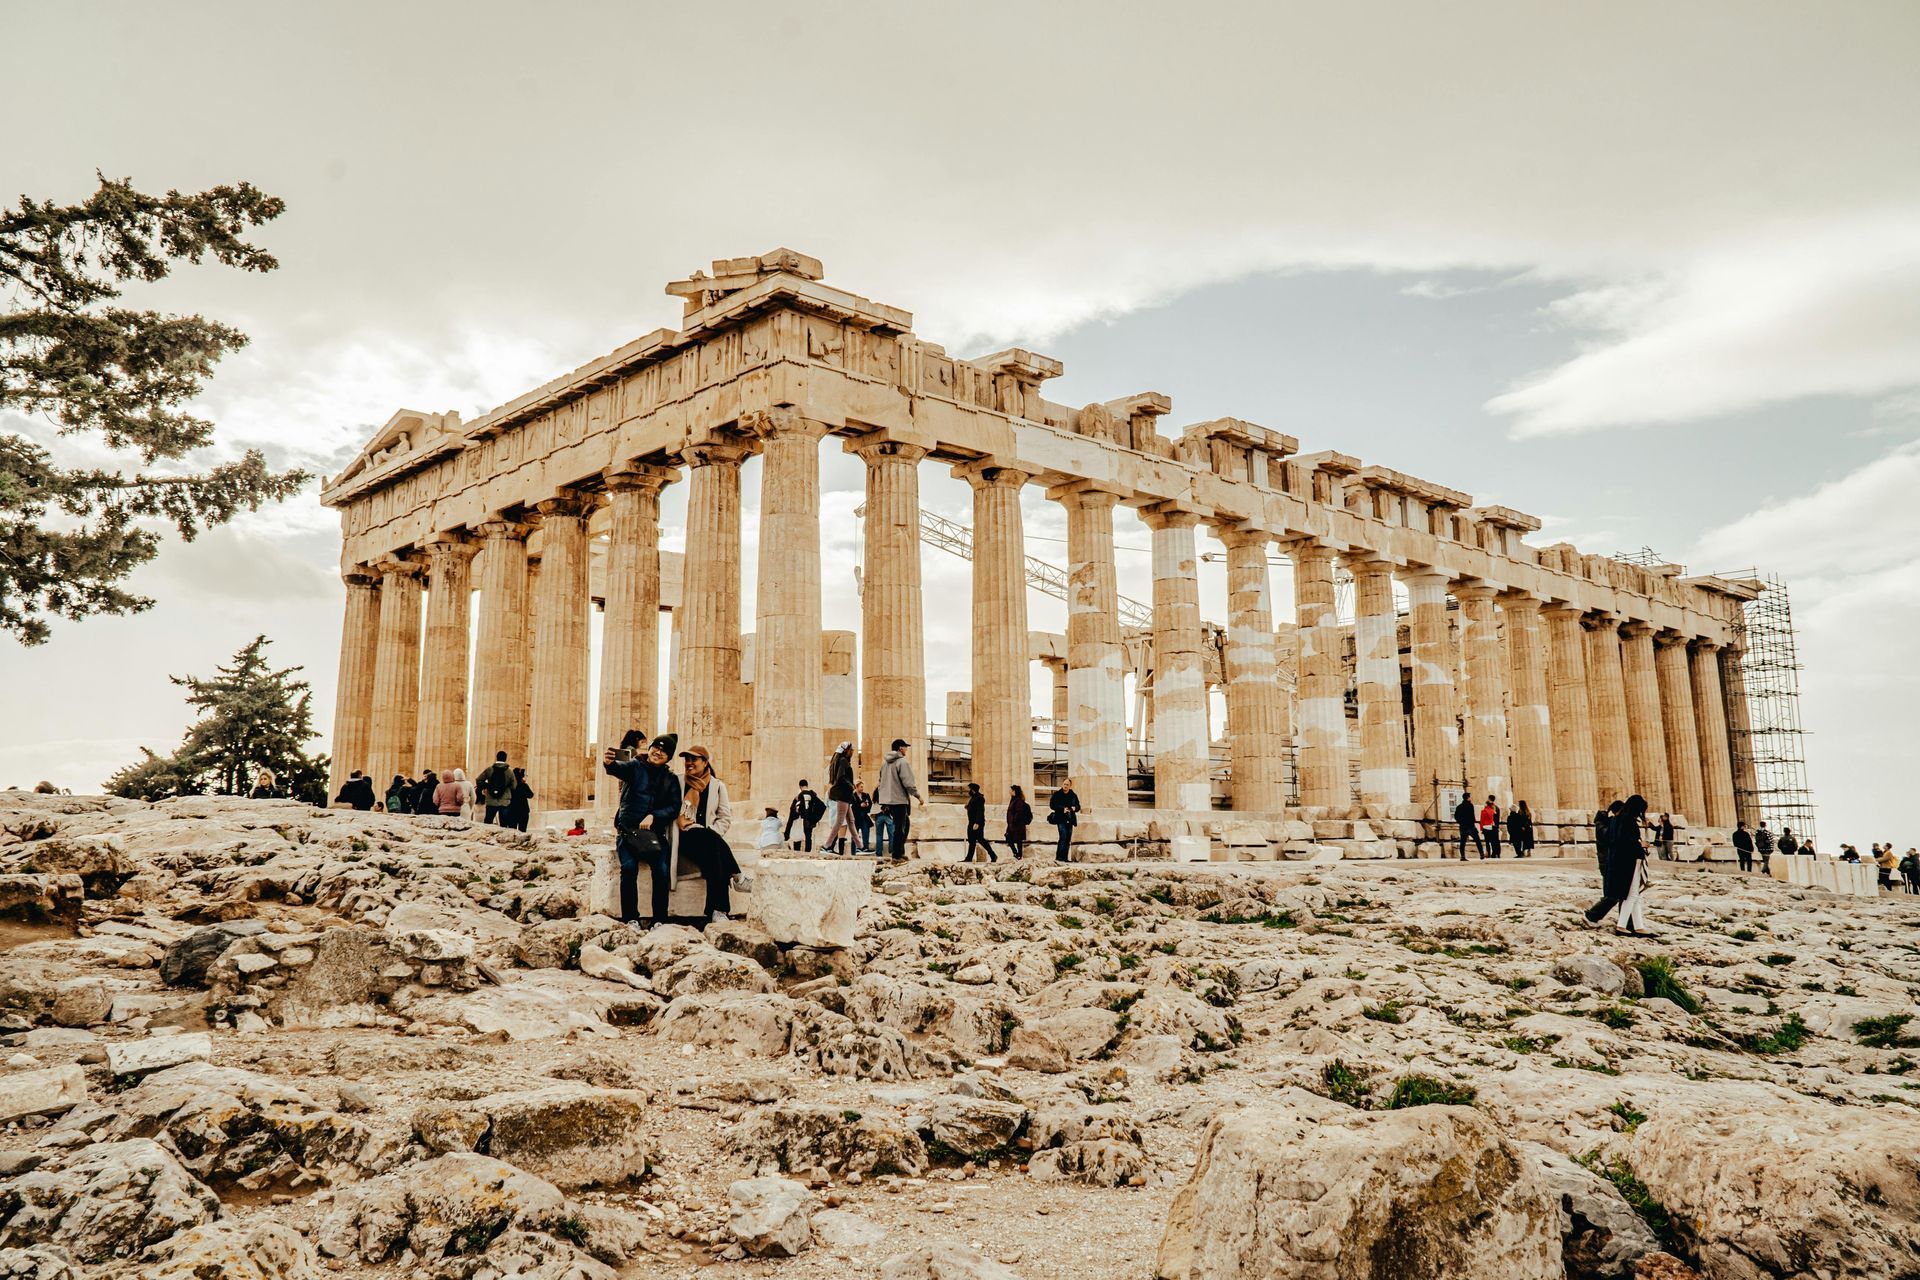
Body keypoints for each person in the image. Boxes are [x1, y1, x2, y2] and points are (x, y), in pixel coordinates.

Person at [603, 734, 682, 926]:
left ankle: (659, 920)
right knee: (629, 869)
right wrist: (609, 764)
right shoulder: (635, 766)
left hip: (654, 834)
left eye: (664, 751)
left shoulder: (670, 778)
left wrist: (655, 816)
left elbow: (674, 807)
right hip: (628, 832)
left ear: (668, 757)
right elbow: (618, 769)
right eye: (656, 747)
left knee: (661, 871)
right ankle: (631, 918)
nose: (658, 752)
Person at [676, 744, 739, 924]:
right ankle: (736, 878)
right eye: (686, 759)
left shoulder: (718, 786)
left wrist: (711, 833)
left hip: (710, 838)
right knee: (712, 846)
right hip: (684, 836)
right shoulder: (678, 782)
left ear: (705, 762)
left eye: (693, 759)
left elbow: (724, 818)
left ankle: (715, 911)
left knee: (714, 856)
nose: (689, 763)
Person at [1584, 793, 1651, 935]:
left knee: (1626, 894)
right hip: (1616, 862)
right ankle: (1594, 916)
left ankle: (1630, 924)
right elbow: (1618, 841)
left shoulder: (1616, 821)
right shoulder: (1616, 822)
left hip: (1616, 861)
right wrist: (1640, 845)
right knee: (1616, 894)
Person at [875, 739, 923, 862]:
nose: (906, 749)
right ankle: (896, 854)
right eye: (905, 747)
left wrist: (883, 801)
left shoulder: (884, 763)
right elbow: (908, 782)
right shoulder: (902, 762)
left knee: (903, 825)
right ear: (901, 748)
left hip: (888, 800)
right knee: (900, 827)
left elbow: (881, 782)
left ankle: (899, 851)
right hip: (899, 799)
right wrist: (918, 796)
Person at [820, 743, 857, 855]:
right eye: (851, 750)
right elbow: (841, 777)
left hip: (835, 803)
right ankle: (829, 847)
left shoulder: (836, 762)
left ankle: (829, 847)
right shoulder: (843, 761)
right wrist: (851, 785)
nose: (852, 752)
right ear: (846, 751)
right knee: (840, 827)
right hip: (840, 800)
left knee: (838, 827)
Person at [477, 751, 517, 825]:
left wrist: (488, 786)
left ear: (497, 757)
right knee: (504, 824)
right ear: (505, 759)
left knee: (488, 823)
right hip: (504, 801)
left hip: (491, 800)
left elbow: (479, 780)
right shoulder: (509, 771)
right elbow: (514, 786)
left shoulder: (489, 769)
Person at [785, 779, 825, 852]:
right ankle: (808, 854)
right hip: (810, 820)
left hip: (800, 821)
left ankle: (797, 853)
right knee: (808, 837)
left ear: (800, 787)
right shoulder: (813, 795)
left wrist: (787, 832)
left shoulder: (798, 797)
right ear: (807, 785)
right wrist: (815, 819)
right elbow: (822, 806)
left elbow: (792, 813)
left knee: (797, 838)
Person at [1049, 778, 1082, 863]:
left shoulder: (1073, 795)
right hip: (1060, 818)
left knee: (1068, 838)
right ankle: (1059, 857)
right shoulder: (1057, 794)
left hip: (1070, 818)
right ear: (1062, 784)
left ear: (1070, 786)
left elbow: (1078, 806)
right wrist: (1062, 809)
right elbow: (1052, 805)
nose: (1065, 786)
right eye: (1064, 784)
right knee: (1063, 836)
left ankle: (1065, 858)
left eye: (1067, 784)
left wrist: (1075, 808)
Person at [963, 782, 996, 862]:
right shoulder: (974, 797)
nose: (968, 791)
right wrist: (968, 807)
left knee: (980, 839)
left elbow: (980, 811)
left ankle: (992, 855)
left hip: (977, 823)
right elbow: (974, 808)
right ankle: (969, 858)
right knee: (971, 841)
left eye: (969, 789)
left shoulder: (979, 798)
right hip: (971, 822)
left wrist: (977, 823)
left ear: (973, 790)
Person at [1005, 784, 1032, 859]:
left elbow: (1018, 812)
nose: (1009, 792)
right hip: (1012, 824)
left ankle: (1019, 855)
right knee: (1009, 838)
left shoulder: (1018, 800)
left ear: (1014, 791)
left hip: (1017, 824)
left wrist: (1014, 820)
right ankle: (1016, 853)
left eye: (1011, 790)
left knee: (1018, 840)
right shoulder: (1013, 800)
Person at [1454, 794, 1482, 860]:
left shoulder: (1459, 807)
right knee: (1477, 840)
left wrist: (1460, 822)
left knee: (1462, 842)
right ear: (1468, 798)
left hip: (1463, 826)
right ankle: (1481, 854)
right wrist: (1473, 822)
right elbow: (1472, 815)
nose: (1470, 798)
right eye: (1470, 797)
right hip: (1470, 826)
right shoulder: (1470, 805)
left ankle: (1462, 856)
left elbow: (1456, 816)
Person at [506, 768, 534, 833]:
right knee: (522, 831)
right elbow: (530, 795)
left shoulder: (509, 786)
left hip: (512, 810)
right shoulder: (524, 785)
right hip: (523, 810)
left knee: (512, 831)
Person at [851, 783, 874, 854]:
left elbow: (870, 805)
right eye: (861, 787)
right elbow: (852, 807)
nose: (862, 788)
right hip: (856, 817)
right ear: (856, 787)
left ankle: (865, 847)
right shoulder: (852, 796)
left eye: (862, 787)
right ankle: (853, 850)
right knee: (855, 834)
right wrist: (860, 806)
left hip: (864, 816)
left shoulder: (866, 795)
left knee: (866, 832)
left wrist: (866, 805)